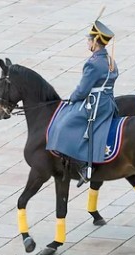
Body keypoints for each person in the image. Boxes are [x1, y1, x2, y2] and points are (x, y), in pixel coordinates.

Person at [46, 7, 118, 187]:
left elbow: (83, 89)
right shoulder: (110, 60)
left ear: (95, 42)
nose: (88, 42)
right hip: (108, 101)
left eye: (89, 40)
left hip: (95, 104)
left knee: (65, 124)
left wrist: (72, 97)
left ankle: (81, 164)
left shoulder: (93, 63)